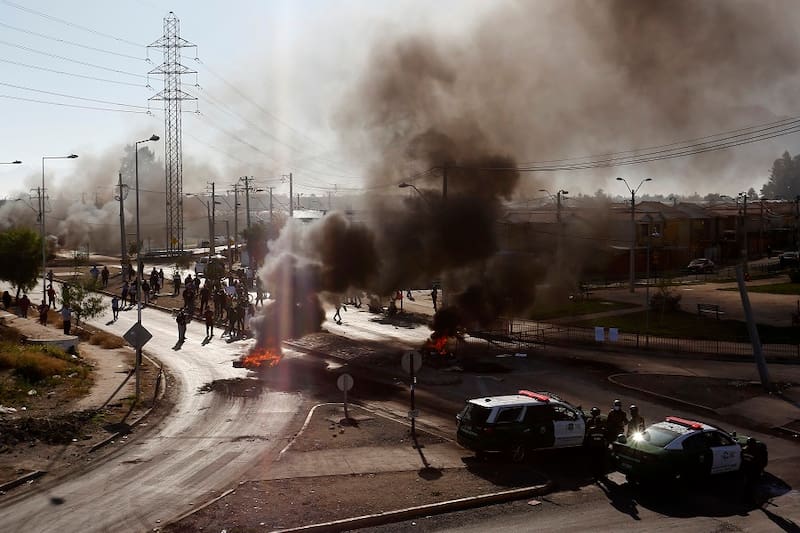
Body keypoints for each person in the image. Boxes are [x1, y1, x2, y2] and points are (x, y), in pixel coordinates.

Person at [586, 407, 607, 479]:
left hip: (593, 447)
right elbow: (605, 439)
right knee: (599, 461)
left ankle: (593, 474)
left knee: (593, 461)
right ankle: (599, 474)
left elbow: (587, 438)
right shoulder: (603, 430)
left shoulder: (591, 429)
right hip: (600, 448)